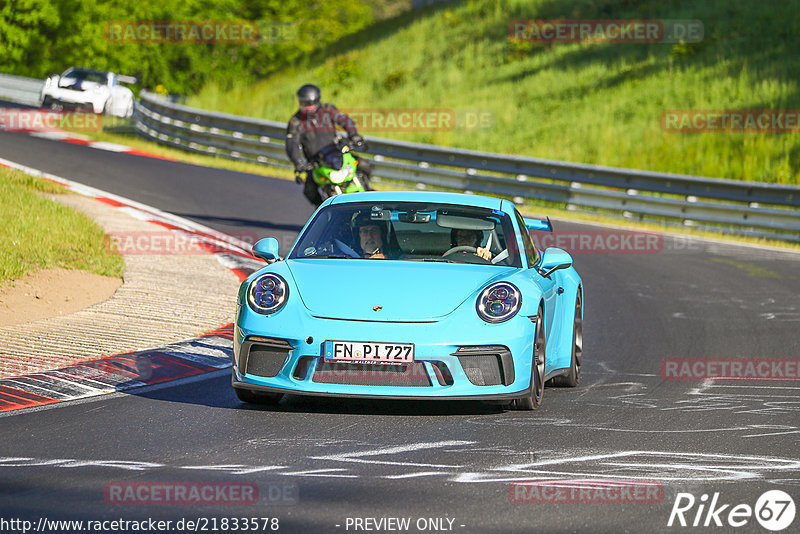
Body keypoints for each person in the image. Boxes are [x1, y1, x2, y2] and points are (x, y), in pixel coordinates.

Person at [285, 84, 372, 205]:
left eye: (310, 103)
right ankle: (322, 211)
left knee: (364, 165)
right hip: (316, 162)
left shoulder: (327, 109)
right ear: (300, 102)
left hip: (337, 153)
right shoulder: (296, 121)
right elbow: (291, 144)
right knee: (309, 191)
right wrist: (298, 163)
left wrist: (354, 135)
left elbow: (344, 120)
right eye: (305, 104)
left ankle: (369, 190)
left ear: (317, 100)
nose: (308, 107)